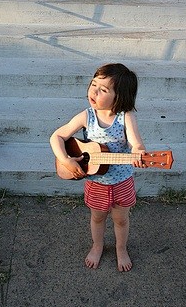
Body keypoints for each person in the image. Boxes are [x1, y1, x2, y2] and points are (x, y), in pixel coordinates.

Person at [50, 63, 147, 272]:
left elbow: (136, 142)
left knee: (121, 220)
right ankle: (98, 245)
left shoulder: (125, 117)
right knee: (97, 217)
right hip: (96, 183)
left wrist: (138, 150)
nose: (93, 91)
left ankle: (121, 248)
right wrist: (66, 160)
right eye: (93, 84)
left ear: (119, 96)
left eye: (103, 89)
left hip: (122, 181)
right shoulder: (87, 116)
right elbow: (57, 136)